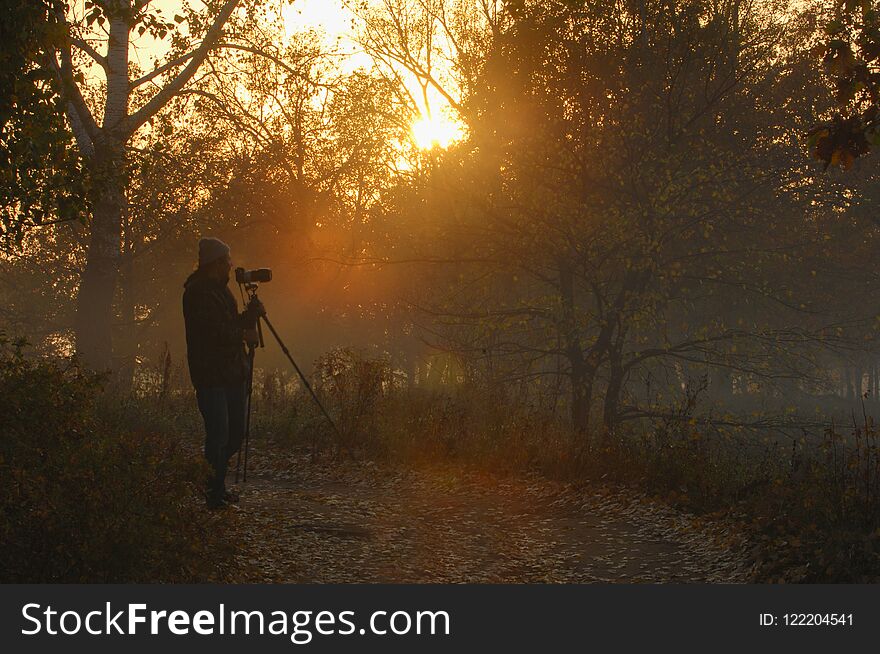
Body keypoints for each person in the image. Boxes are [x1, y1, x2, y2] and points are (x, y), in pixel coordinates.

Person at [182, 237, 264, 509]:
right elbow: (214, 334)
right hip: (211, 375)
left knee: (233, 434)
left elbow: (229, 326)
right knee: (218, 435)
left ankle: (215, 485)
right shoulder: (197, 293)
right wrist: (243, 328)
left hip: (231, 373)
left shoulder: (220, 290)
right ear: (215, 264)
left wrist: (249, 316)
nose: (231, 266)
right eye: (226, 261)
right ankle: (212, 493)